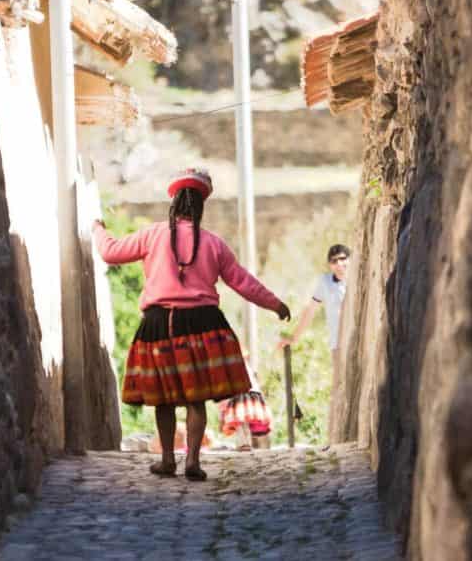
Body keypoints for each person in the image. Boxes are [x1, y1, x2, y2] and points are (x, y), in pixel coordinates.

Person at [93, 168, 291, 481]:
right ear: (200, 206)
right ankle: (193, 461)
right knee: (196, 398)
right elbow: (243, 282)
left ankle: (168, 459)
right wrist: (275, 304)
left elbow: (110, 252)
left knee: (164, 398)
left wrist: (98, 229)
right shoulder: (214, 244)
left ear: (173, 203)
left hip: (160, 326)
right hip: (204, 326)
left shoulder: (153, 234)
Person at [277, 244, 350, 354]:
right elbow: (310, 310)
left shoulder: (359, 279)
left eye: (342, 259)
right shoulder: (325, 281)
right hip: (338, 346)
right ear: (330, 265)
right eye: (334, 261)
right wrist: (294, 337)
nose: (339, 264)